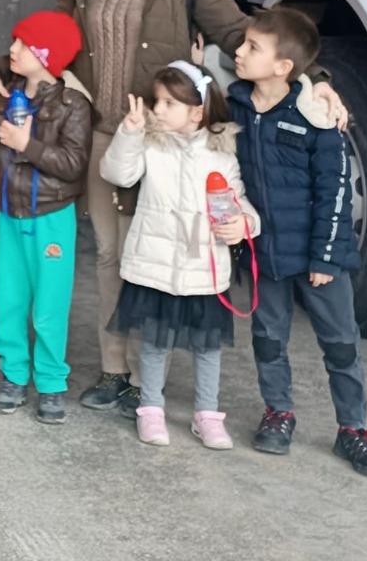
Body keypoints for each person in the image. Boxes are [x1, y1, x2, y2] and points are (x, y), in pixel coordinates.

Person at [0, 0, 346, 417]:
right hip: (106, 133)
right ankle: (116, 372)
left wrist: (313, 78)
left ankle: (154, 381)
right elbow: (55, 37)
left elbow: (241, 33)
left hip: (167, 138)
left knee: (161, 250)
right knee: (110, 257)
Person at [229, 8, 367, 477]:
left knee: (341, 344)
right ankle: (278, 412)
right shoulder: (237, 103)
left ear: (284, 67)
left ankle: (353, 430)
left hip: (319, 255)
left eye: (252, 47)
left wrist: (325, 255)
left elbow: (337, 189)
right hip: (267, 254)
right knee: (267, 338)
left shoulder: (316, 113)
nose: (239, 52)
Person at [101, 63, 257, 449]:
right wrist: (130, 132)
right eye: (158, 101)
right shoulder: (151, 145)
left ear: (197, 110)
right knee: (154, 343)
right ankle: (151, 408)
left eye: (169, 102)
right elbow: (117, 173)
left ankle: (207, 415)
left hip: (203, 269)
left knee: (207, 347)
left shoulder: (222, 155)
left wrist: (245, 225)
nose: (158, 109)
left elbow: (240, 203)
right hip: (155, 266)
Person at [0, 11, 92, 425]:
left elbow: (73, 164)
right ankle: (14, 376)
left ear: (46, 55)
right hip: (11, 213)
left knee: (50, 306)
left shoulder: (73, 106)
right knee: (9, 301)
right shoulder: (6, 96)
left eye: (22, 44)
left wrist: (27, 144)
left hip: (52, 216)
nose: (12, 50)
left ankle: (52, 384)